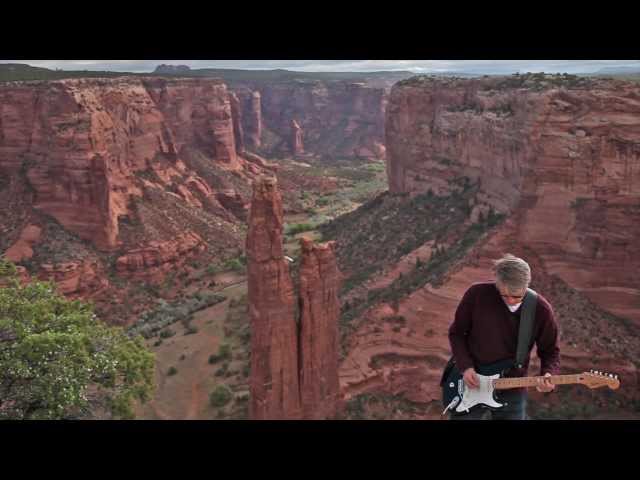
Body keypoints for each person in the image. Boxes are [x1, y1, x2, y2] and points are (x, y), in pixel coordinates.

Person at [447, 253, 560, 420]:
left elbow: (550, 351)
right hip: (472, 381)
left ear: (526, 285)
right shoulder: (476, 295)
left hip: (512, 388)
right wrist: (466, 366)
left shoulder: (541, 310)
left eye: (517, 296)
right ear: (497, 284)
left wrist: (549, 374)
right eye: (504, 295)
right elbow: (457, 333)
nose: (511, 301)